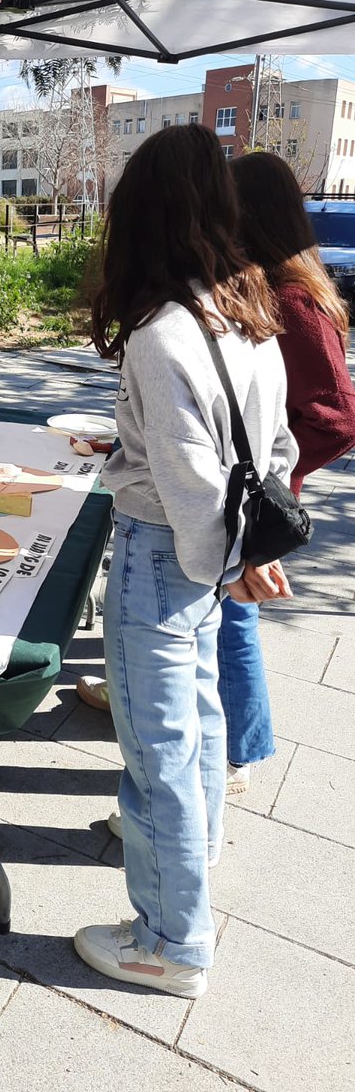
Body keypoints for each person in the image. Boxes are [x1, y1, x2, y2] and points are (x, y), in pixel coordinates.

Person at [73, 124, 297, 999]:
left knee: (157, 751)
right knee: (195, 727)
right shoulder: (252, 316)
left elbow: (190, 483)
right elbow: (274, 452)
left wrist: (228, 561)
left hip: (164, 558)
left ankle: (171, 942)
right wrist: (241, 555)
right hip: (204, 558)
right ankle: (190, 870)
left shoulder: (161, 333)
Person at [213, 151, 355, 788]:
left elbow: (339, 419)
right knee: (223, 606)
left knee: (233, 613)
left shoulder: (294, 301)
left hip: (253, 495)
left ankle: (235, 752)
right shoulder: (270, 286)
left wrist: (267, 467)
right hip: (246, 487)